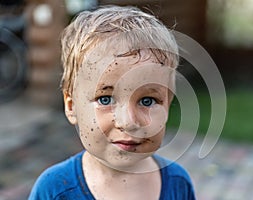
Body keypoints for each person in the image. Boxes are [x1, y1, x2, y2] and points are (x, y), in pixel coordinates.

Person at [29, 5, 196, 200]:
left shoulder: (178, 184)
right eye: (105, 99)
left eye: (147, 100)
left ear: (167, 105)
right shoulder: (54, 190)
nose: (128, 122)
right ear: (72, 105)